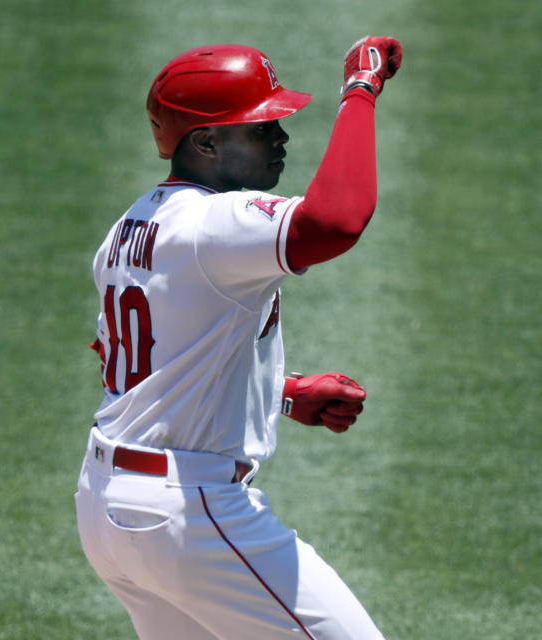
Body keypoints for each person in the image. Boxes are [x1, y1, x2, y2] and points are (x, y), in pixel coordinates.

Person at [75, 36, 401, 640]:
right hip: (188, 513)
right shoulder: (211, 223)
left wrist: (282, 391)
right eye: (261, 127)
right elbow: (334, 221)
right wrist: (361, 90)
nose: (281, 137)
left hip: (108, 506)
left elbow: (144, 363)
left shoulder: (130, 225)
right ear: (205, 143)